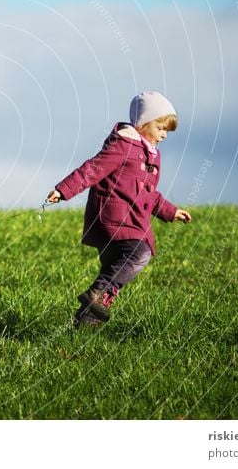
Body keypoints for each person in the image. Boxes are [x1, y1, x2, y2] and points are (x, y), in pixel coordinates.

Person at [46, 91, 192, 328]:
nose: (164, 135)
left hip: (131, 220)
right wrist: (63, 190)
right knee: (139, 253)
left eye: (167, 130)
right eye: (160, 127)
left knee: (114, 269)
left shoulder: (151, 155)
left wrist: (170, 211)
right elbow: (92, 169)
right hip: (115, 219)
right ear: (143, 123)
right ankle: (96, 292)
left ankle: (85, 324)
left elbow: (148, 193)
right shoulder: (123, 146)